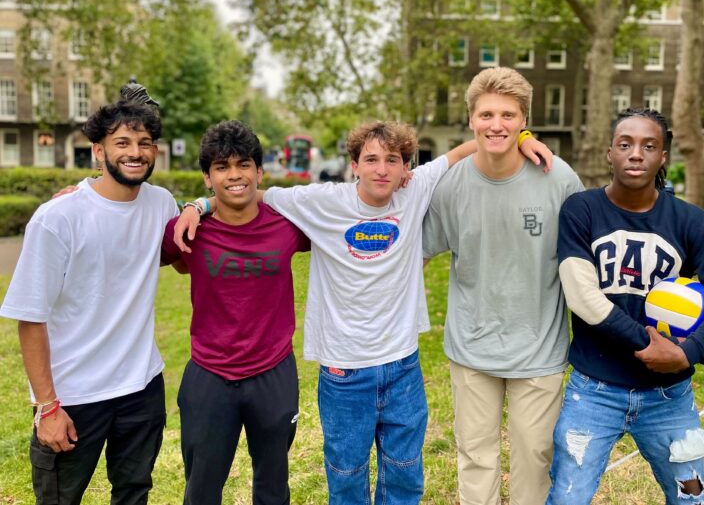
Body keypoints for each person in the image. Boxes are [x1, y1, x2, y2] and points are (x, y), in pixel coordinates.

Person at [174, 121, 553, 505]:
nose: (382, 169)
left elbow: (461, 152)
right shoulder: (322, 201)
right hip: (344, 370)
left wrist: (521, 138)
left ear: (408, 168)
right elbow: (252, 193)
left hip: (402, 363)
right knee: (346, 472)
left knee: (405, 471)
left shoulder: (416, 189)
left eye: (393, 160)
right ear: (353, 165)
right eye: (370, 159)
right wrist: (198, 204)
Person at [546, 108, 704, 505]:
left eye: (649, 145)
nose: (636, 154)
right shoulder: (582, 210)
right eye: (625, 144)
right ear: (610, 152)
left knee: (691, 498)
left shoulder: (691, 222)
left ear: (663, 157)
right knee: (567, 498)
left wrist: (685, 353)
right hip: (593, 392)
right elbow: (583, 297)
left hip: (669, 398)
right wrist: (649, 345)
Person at [0, 91, 178, 505]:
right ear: (98, 150)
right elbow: (30, 318)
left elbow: (183, 243)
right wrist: (47, 407)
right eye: (122, 143)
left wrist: (198, 204)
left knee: (134, 493)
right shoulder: (57, 218)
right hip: (73, 396)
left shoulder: (161, 203)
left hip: (141, 387)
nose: (135, 153)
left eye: (144, 143)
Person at [422, 67, 583, 505]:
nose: (497, 125)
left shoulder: (558, 177)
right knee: (475, 457)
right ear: (471, 119)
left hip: (540, 346)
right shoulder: (449, 186)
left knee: (535, 457)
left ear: (523, 120)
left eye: (509, 115)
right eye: (487, 114)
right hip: (472, 344)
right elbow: (415, 253)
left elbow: (586, 257)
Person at [160, 121, 310, 505]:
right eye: (222, 167)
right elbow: (125, 228)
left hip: (273, 371)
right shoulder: (187, 230)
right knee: (202, 490)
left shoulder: (289, 225)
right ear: (207, 178)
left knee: (274, 487)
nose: (234, 175)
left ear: (259, 172)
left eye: (243, 164)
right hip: (209, 375)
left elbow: (348, 211)